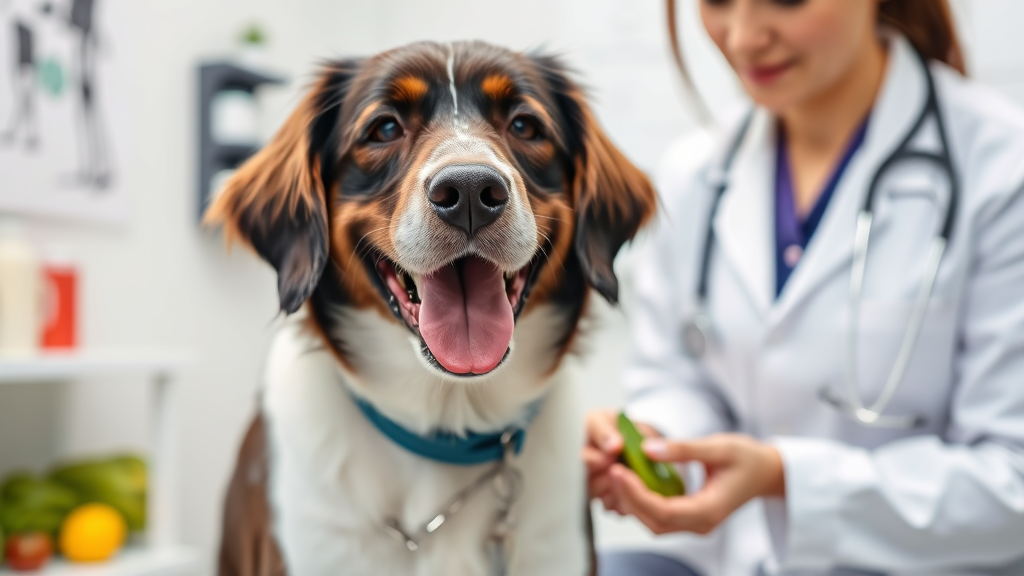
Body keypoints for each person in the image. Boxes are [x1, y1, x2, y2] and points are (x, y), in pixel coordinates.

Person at [585, 1, 1024, 575]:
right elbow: (677, 378)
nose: (743, 38)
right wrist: (658, 441)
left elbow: (1013, 481)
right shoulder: (697, 174)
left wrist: (785, 480)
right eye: (717, 1)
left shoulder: (1001, 171)